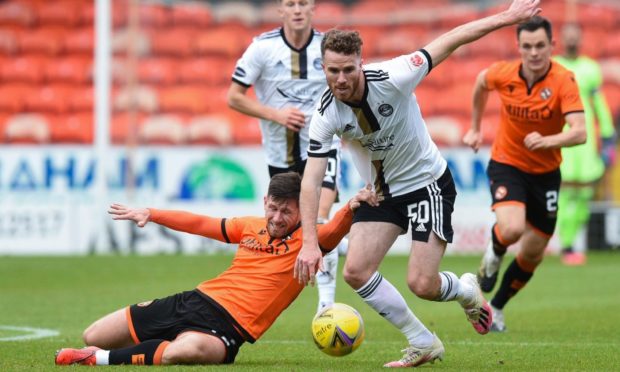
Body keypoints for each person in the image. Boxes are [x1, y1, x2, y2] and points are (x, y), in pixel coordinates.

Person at [295, 0, 543, 367]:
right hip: (383, 194)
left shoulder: (396, 75)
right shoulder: (325, 113)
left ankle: (464, 290)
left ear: (361, 63)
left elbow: (453, 39)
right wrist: (309, 244)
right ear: (323, 68)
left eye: (348, 69)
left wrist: (507, 18)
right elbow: (311, 180)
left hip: (427, 184)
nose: (341, 79)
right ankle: (422, 340)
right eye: (333, 71)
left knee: (422, 284)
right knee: (356, 271)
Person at [54, 172, 375, 366]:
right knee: (93, 333)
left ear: (301, 210)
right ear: (265, 201)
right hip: (195, 300)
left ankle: (95, 359)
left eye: (286, 212)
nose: (277, 218)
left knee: (184, 352)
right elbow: (200, 223)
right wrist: (151, 213)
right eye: (273, 209)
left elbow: (339, 223)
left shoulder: (312, 241)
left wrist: (353, 203)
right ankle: (106, 348)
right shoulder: (249, 226)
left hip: (227, 330)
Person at [462, 16, 587, 332]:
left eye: (540, 46)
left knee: (534, 252)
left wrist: (549, 141)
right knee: (513, 228)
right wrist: (475, 128)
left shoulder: (564, 81)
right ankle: (494, 250)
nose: (534, 53)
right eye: (528, 46)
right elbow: (479, 83)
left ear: (551, 46)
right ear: (518, 47)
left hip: (546, 172)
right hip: (508, 164)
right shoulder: (504, 74)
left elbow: (580, 132)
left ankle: (498, 307)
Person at [227, 0, 344, 312]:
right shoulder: (262, 48)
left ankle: (326, 305)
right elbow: (234, 97)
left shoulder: (326, 47)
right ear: (280, 9)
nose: (297, 9)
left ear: (313, 8)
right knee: (285, 227)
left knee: (319, 218)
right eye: (290, 3)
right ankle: (261, 291)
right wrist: (275, 115)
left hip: (322, 147)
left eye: (303, 3)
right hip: (280, 153)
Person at [554, 22, 617, 266]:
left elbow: (598, 104)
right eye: (567, 36)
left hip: (586, 141)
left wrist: (609, 135)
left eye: (574, 36)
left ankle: (572, 244)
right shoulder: (554, 67)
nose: (571, 40)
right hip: (563, 139)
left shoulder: (591, 69)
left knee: (584, 195)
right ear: (560, 39)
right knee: (566, 195)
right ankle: (567, 245)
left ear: (580, 39)